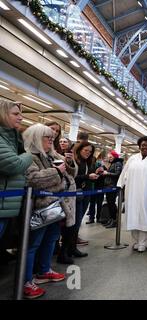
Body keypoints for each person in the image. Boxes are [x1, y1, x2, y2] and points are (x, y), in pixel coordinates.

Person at [22, 123, 76, 298]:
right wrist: (55, 172)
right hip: (40, 207)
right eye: (48, 138)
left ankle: (44, 270)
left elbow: (71, 172)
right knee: (33, 244)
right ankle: (26, 280)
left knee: (52, 238)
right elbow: (32, 179)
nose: (52, 140)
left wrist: (68, 163)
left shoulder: (50, 155)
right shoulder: (28, 156)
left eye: (52, 138)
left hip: (55, 206)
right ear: (37, 138)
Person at [117, 136, 147, 252]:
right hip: (132, 193)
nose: (144, 147)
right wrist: (120, 186)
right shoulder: (133, 158)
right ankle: (137, 241)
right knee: (133, 216)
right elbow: (124, 173)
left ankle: (144, 242)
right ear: (139, 146)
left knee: (145, 216)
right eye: (142, 145)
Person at [0, 100, 32, 242]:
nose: (21, 117)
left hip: (5, 206)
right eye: (15, 114)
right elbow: (14, 164)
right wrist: (29, 154)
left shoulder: (10, 137)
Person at [73, 141, 97, 253]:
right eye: (85, 150)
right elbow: (73, 177)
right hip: (75, 194)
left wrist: (96, 173)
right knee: (75, 221)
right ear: (79, 149)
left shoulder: (88, 162)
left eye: (90, 151)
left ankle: (72, 246)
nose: (88, 153)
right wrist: (87, 176)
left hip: (85, 193)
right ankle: (70, 247)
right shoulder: (75, 161)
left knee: (79, 219)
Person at [101, 150, 123, 228]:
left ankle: (114, 221)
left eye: (111, 157)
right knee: (110, 204)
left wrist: (107, 173)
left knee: (112, 204)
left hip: (112, 187)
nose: (109, 158)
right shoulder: (113, 164)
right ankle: (111, 219)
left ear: (114, 157)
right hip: (109, 186)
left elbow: (118, 174)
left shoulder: (117, 163)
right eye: (109, 157)